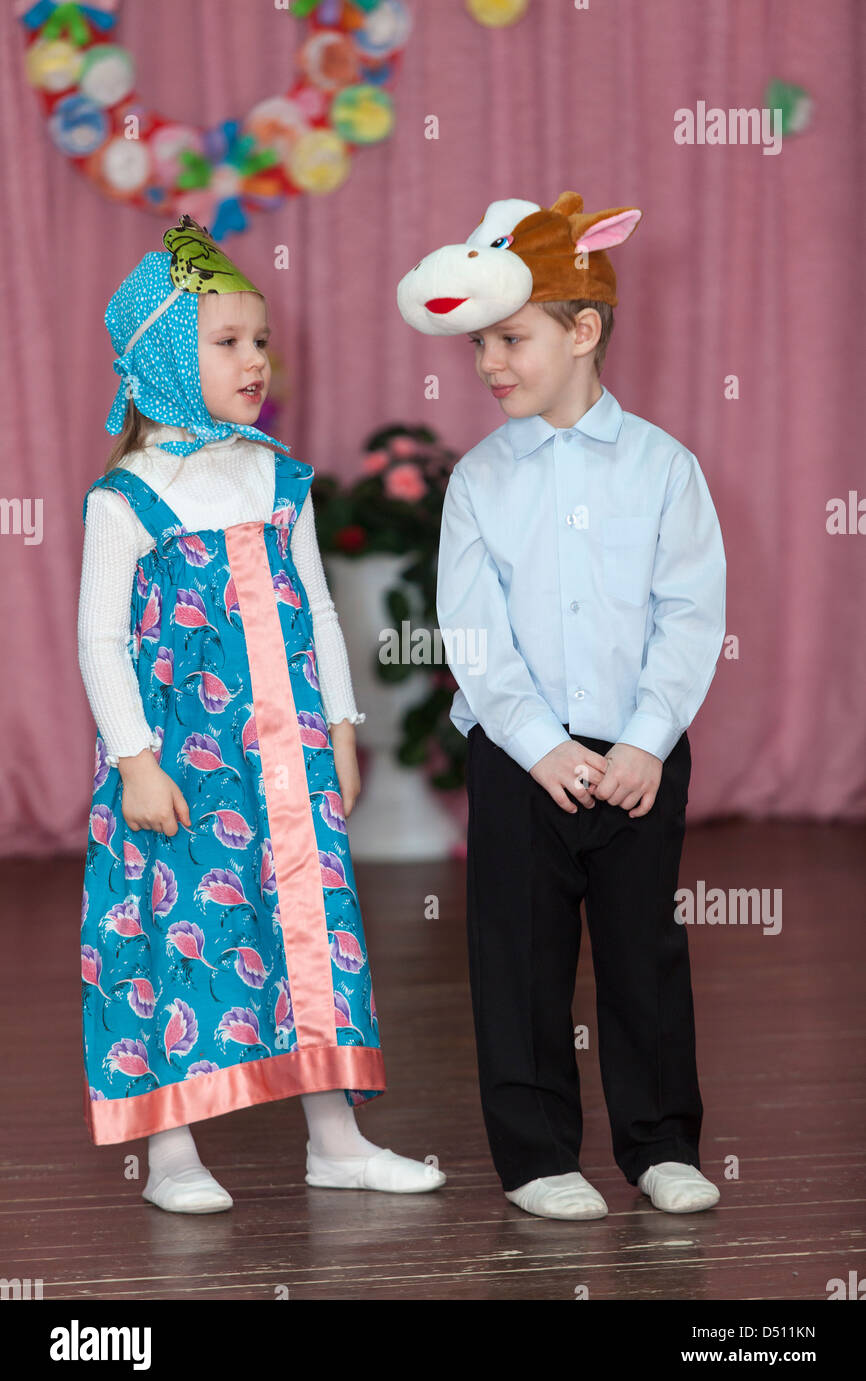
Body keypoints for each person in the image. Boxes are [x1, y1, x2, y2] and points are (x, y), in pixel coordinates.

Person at [79, 215, 445, 1213]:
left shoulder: (276, 476)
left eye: (260, 341)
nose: (254, 361)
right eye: (225, 341)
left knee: (311, 929)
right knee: (177, 932)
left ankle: (336, 1136)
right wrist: (135, 759)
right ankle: (171, 1152)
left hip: (288, 760)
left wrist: (342, 725)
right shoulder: (127, 498)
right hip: (181, 765)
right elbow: (101, 642)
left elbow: (318, 607)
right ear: (162, 351)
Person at [396, 192, 726, 1220]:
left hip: (637, 754)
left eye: (510, 338)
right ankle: (537, 1154)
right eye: (479, 344)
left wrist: (642, 739)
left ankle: (659, 1141)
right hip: (517, 757)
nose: (489, 362)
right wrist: (537, 745)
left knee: (641, 952)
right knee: (519, 957)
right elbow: (473, 633)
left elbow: (687, 614)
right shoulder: (479, 482)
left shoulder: (664, 468)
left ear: (580, 331)